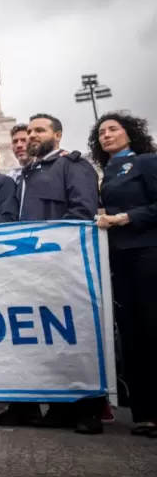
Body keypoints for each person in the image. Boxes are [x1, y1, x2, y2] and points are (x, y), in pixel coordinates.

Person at [4, 113, 101, 434]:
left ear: (57, 135)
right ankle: (60, 408)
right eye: (29, 131)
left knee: (77, 335)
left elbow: (82, 210)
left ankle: (88, 409)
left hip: (61, 262)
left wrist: (54, 249)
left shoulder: (73, 165)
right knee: (48, 337)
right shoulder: (25, 175)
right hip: (29, 267)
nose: (31, 136)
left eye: (39, 130)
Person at [90, 112, 157, 437]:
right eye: (101, 132)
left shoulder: (147, 162)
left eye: (113, 129)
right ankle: (145, 413)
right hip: (119, 259)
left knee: (153, 329)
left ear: (130, 133)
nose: (106, 136)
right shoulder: (106, 174)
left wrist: (126, 218)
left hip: (147, 252)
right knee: (131, 335)